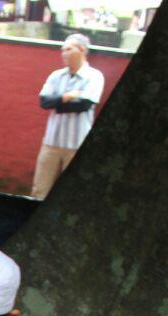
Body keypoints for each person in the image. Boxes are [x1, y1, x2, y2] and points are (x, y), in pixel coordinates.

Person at [32, 33, 105, 200]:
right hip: (52, 142)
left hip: (76, 145)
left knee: (72, 193)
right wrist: (66, 97)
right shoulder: (56, 75)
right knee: (39, 189)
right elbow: (44, 102)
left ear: (83, 50)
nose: (64, 53)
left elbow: (83, 105)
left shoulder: (94, 76)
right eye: (62, 50)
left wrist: (57, 102)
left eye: (69, 49)